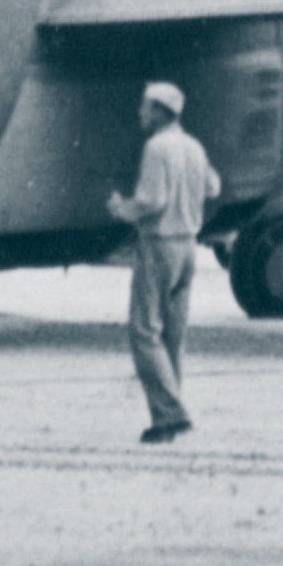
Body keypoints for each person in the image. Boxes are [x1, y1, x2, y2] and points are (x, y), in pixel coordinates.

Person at [108, 80, 219, 444]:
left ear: (158, 111)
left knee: (143, 330)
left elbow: (151, 199)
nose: (141, 113)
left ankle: (171, 413)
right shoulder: (195, 147)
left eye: (145, 107)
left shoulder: (157, 147)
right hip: (189, 245)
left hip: (159, 245)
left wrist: (122, 209)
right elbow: (213, 188)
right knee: (173, 336)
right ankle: (166, 418)